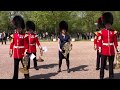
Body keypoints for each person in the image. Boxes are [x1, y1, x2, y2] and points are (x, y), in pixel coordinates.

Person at [98, 12, 119, 79]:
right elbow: (100, 41)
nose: (108, 25)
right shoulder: (101, 32)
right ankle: (101, 76)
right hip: (104, 50)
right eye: (107, 24)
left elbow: (115, 41)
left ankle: (111, 76)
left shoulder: (114, 32)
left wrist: (117, 48)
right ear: (105, 24)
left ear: (110, 24)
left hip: (111, 50)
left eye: (109, 24)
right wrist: (100, 48)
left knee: (111, 65)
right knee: (102, 64)